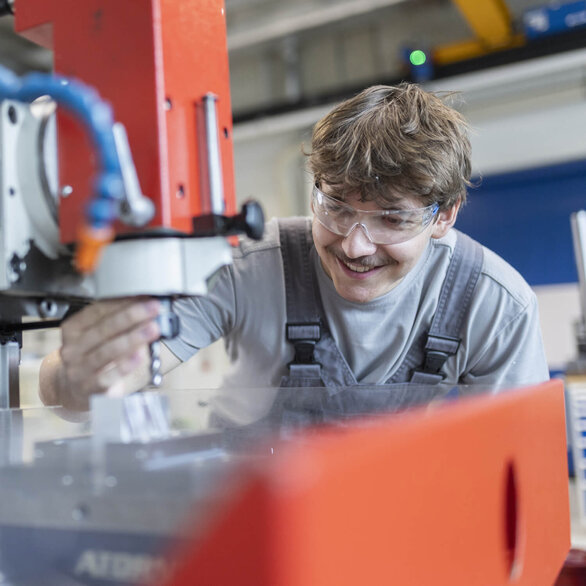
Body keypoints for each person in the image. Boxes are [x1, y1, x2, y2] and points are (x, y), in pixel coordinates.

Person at [38, 83, 549, 424]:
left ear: (445, 215)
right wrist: (79, 380)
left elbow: (515, 467)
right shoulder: (247, 267)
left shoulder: (494, 305)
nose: (354, 244)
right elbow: (95, 386)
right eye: (336, 207)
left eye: (391, 219)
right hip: (249, 534)